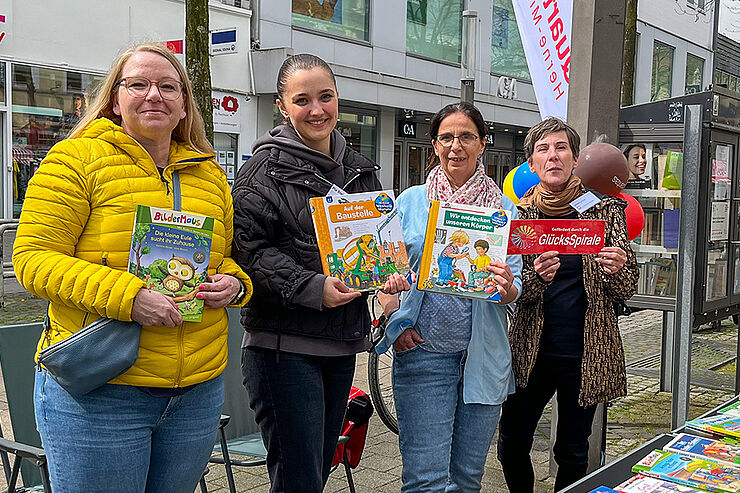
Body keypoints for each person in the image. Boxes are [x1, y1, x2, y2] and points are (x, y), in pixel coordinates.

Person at [12, 43, 252, 492]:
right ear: (114, 100)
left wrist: (234, 286)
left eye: (167, 87)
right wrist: (130, 298)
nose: (153, 95)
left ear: (184, 105)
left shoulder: (210, 175)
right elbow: (32, 260)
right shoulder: (74, 161)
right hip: (103, 390)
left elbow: (222, 259)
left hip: (195, 394)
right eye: (137, 84)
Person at [232, 54, 393, 493]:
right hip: (284, 347)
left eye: (326, 96)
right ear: (282, 106)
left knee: (318, 469)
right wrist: (311, 287)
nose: (317, 109)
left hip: (341, 345)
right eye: (302, 100)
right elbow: (247, 251)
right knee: (299, 479)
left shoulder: (361, 171)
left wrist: (389, 275)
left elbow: (378, 244)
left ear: (339, 97)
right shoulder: (260, 173)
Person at [375, 102, 522, 492]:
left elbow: (516, 287)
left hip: (483, 357)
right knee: (425, 480)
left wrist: (507, 285)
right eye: (447, 138)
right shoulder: (410, 202)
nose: (456, 146)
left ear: (483, 144)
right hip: (423, 355)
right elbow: (383, 273)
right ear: (435, 145)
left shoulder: (505, 211)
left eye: (466, 137)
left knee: (467, 479)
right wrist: (395, 317)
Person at [496, 117, 639, 492]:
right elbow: (512, 291)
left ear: (575, 159)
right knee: (511, 443)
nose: (553, 156)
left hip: (586, 351)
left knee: (572, 450)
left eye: (561, 148)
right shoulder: (521, 215)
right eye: (543, 149)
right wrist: (535, 279)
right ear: (531, 164)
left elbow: (627, 287)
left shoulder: (605, 211)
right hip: (531, 350)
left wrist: (618, 268)